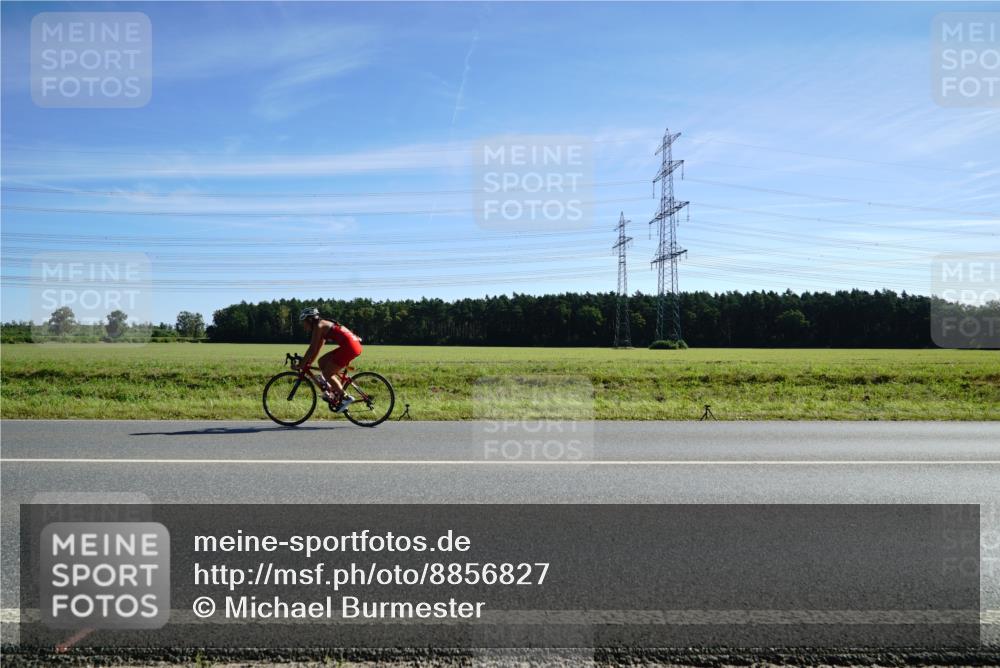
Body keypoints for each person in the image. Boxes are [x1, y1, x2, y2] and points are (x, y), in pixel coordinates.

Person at [297, 307, 363, 412]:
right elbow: (317, 348)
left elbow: (312, 348)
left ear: (310, 320)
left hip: (350, 347)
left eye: (304, 322)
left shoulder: (319, 326)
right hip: (352, 345)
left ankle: (345, 397)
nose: (303, 325)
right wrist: (309, 362)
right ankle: (334, 392)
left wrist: (301, 364)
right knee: (321, 362)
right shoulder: (323, 324)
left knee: (328, 374)